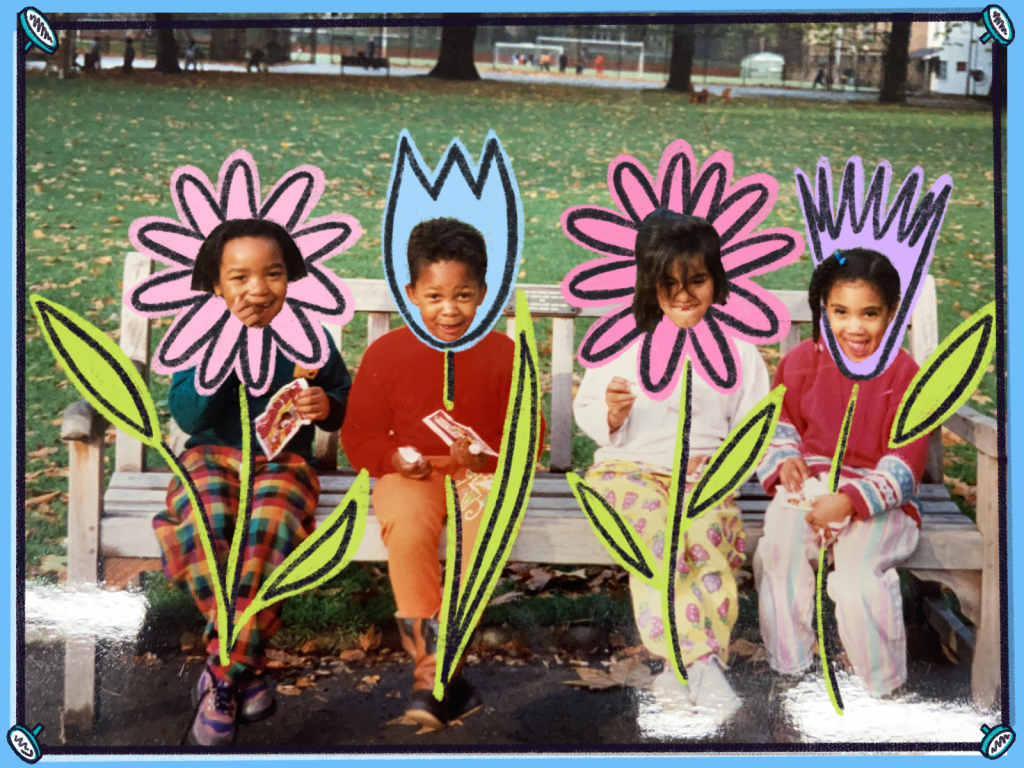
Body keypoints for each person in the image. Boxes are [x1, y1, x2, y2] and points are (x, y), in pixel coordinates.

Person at [342, 217, 544, 730]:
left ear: (483, 294)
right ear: (411, 292)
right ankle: (434, 676)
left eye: (463, 295)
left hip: (482, 476)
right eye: (434, 296)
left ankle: (439, 681)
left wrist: (488, 459)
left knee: (483, 541)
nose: (449, 309)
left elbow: (531, 435)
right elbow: (359, 436)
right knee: (407, 531)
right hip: (412, 475)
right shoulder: (387, 353)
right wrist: (393, 460)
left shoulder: (505, 354)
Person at [155, 219, 351, 746]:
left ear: (292, 277)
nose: (257, 289)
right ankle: (246, 669)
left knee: (265, 533)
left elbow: (341, 402)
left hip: (282, 462)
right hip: (210, 456)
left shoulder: (307, 335)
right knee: (209, 524)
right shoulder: (201, 333)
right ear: (216, 285)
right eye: (239, 277)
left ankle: (222, 673)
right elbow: (190, 415)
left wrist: (325, 403)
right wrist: (224, 359)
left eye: (273, 274)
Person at [574, 210, 769, 719]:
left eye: (698, 281)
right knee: (656, 536)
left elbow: (754, 426)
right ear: (646, 283)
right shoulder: (620, 340)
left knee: (708, 533)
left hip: (704, 476)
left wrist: (722, 463)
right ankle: (692, 665)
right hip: (628, 470)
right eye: (668, 284)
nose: (684, 296)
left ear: (717, 280)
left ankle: (686, 672)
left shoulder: (738, 352)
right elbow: (589, 409)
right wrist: (613, 413)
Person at [754, 247, 931, 699]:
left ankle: (882, 687)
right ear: (824, 310)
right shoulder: (801, 362)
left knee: (855, 578)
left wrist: (850, 500)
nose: (854, 326)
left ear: (891, 314)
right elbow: (779, 423)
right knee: (779, 545)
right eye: (840, 312)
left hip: (879, 502)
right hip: (810, 490)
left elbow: (905, 464)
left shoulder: (904, 374)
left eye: (869, 313)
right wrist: (785, 457)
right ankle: (790, 668)